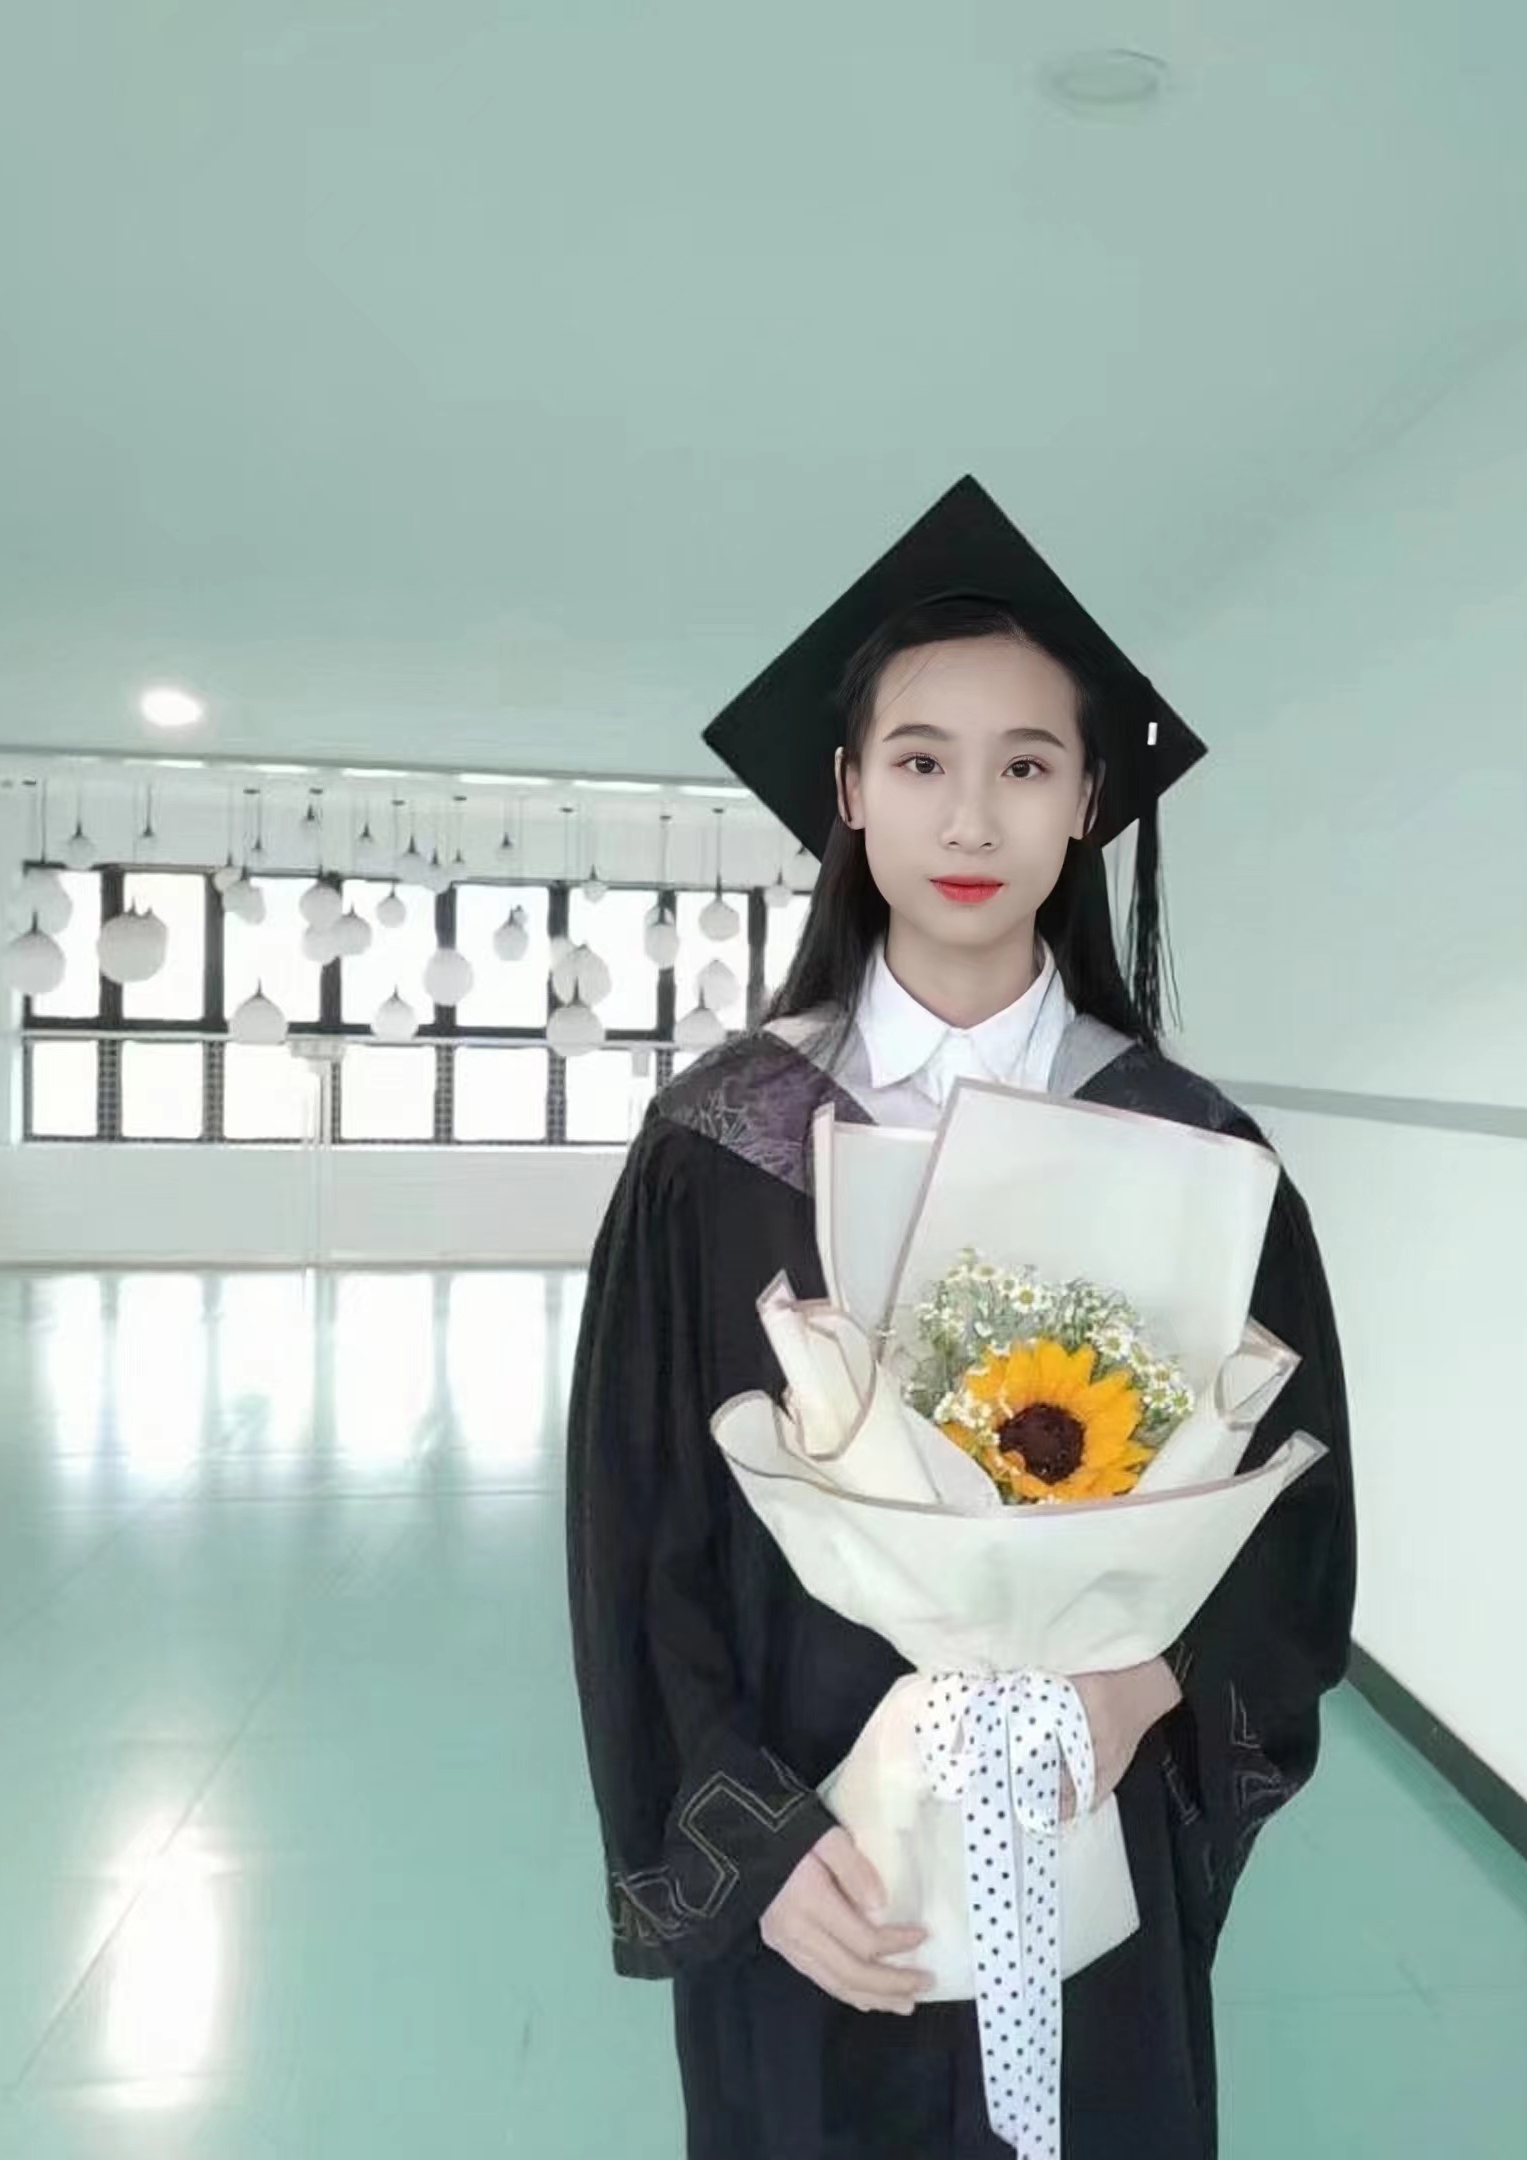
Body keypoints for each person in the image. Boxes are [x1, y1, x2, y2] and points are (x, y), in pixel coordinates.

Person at [565, 475, 1357, 2159]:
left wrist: (1143, 1689)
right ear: (849, 793)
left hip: (1085, 1822)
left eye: (1028, 767)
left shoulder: (1192, 1150)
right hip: (821, 1855)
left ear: (1089, 804)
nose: (974, 821)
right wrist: (753, 1846)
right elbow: (641, 1534)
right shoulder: (722, 1146)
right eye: (922, 763)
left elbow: (1295, 1529)